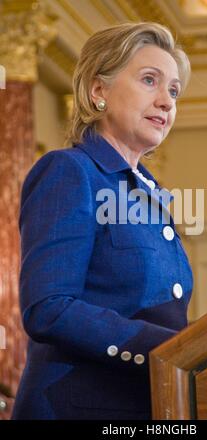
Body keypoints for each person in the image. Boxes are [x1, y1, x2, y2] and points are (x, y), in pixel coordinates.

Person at [12, 22, 193, 420]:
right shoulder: (70, 172)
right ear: (99, 91)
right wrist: (172, 353)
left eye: (174, 91)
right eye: (151, 80)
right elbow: (49, 307)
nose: (167, 101)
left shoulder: (152, 197)